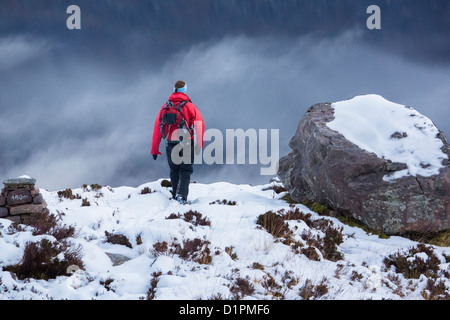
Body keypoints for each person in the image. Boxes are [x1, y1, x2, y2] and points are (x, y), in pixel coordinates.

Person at [151, 80, 205, 204]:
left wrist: (154, 149)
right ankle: (181, 196)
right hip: (186, 142)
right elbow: (199, 125)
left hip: (170, 143)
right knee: (185, 170)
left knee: (174, 170)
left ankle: (175, 194)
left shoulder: (165, 106)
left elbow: (157, 128)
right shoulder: (190, 106)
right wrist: (199, 144)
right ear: (185, 90)